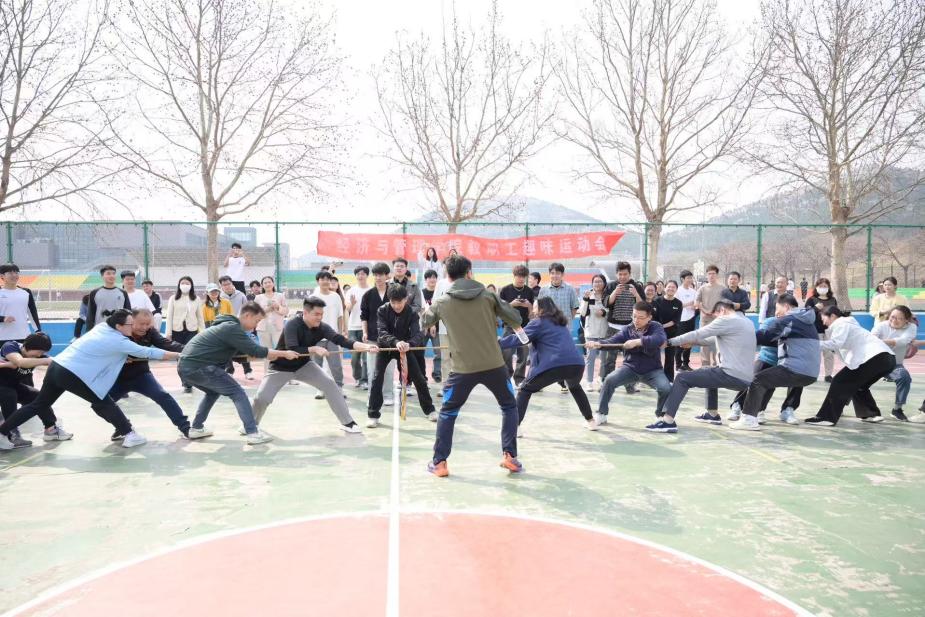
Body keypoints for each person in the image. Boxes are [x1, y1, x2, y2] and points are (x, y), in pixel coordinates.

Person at [0, 310, 177, 450]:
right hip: (72, 373)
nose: (133, 327)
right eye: (130, 324)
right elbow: (148, 352)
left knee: (38, 404)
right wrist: (178, 355)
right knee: (103, 401)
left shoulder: (102, 327)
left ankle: (2, 432)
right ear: (119, 326)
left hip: (57, 367)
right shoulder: (119, 340)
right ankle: (129, 434)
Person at [422, 254, 524, 477]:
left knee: (448, 412)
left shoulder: (442, 301)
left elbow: (425, 321)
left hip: (462, 369)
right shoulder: (488, 296)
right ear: (469, 272)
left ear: (448, 276)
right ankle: (510, 456)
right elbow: (515, 317)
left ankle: (440, 463)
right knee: (509, 406)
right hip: (494, 365)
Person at [177, 302, 299, 444]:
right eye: (256, 321)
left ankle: (196, 428)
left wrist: (267, 353)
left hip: (186, 367)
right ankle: (252, 433)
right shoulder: (232, 328)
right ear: (247, 316)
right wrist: (283, 353)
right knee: (238, 393)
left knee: (213, 392)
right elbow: (256, 350)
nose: (256, 325)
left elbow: (241, 352)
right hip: (200, 366)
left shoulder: (227, 325)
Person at [252, 297, 378, 433]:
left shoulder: (321, 327)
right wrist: (314, 349)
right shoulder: (292, 324)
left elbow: (341, 340)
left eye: (321, 314)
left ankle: (348, 423)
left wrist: (366, 347)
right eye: (316, 314)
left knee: (330, 385)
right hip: (280, 367)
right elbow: (292, 349)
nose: (320, 317)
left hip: (304, 366)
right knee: (262, 397)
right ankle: (250, 425)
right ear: (305, 313)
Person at [651, 300, 756, 433]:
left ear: (722, 310)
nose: (715, 320)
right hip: (746, 379)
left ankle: (667, 421)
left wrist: (670, 342)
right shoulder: (746, 322)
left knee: (682, 378)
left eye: (716, 316)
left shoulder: (726, 320)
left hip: (730, 375)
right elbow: (714, 339)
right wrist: (693, 343)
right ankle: (712, 414)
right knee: (708, 371)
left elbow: (698, 333)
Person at [500, 297, 597, 432]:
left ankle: (514, 427)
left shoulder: (538, 322)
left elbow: (520, 339)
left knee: (524, 391)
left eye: (535, 307)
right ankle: (591, 421)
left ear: (541, 309)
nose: (533, 310)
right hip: (576, 365)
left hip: (554, 365)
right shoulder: (561, 323)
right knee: (575, 388)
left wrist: (497, 343)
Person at [728, 296, 819, 430]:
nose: (776, 313)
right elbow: (770, 339)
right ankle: (757, 412)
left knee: (757, 380)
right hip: (811, 374)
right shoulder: (807, 322)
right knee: (766, 379)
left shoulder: (788, 320)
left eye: (777, 308)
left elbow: (764, 335)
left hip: (795, 369)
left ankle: (748, 419)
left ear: (786, 307)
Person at [108, 309, 193, 440]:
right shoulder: (118, 333)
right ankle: (123, 427)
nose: (144, 327)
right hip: (117, 378)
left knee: (163, 396)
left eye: (148, 324)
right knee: (101, 404)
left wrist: (191, 350)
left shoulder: (150, 332)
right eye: (141, 324)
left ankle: (186, 428)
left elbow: (167, 344)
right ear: (130, 322)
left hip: (141, 375)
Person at [805, 307, 895, 426]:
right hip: (887, 359)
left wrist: (811, 344)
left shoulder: (841, 323)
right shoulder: (848, 325)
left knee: (839, 381)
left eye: (824, 318)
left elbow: (836, 343)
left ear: (833, 316)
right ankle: (871, 414)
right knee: (859, 385)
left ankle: (826, 418)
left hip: (873, 357)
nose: (823, 322)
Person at [366, 284, 436, 427]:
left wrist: (409, 344)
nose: (396, 305)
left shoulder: (412, 313)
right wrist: (395, 342)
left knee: (419, 378)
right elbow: (382, 332)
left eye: (400, 302)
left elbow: (418, 334)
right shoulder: (382, 310)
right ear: (389, 300)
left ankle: (430, 410)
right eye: (393, 302)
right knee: (377, 378)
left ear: (406, 299)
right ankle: (373, 415)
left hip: (404, 348)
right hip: (385, 348)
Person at [589, 302, 671, 424]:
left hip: (653, 370)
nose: (636, 320)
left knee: (665, 388)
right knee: (609, 380)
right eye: (634, 316)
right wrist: (599, 344)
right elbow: (612, 341)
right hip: (630, 368)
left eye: (641, 317)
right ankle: (601, 413)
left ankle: (660, 416)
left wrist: (638, 341)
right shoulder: (627, 329)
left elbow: (659, 339)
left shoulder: (656, 326)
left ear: (649, 317)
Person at [0, 332, 54, 448]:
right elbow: (20, 362)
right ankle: (11, 434)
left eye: (42, 353)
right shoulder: (11, 346)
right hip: (3, 387)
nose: (40, 355)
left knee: (37, 396)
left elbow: (54, 361)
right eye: (39, 352)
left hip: (12, 385)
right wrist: (46, 361)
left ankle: (51, 429)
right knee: (9, 395)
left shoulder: (37, 357)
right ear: (29, 346)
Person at [537, 263, 581, 392]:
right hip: (547, 329)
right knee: (545, 355)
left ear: (562, 274)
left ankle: (564, 383)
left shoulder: (570, 289)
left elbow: (574, 308)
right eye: (552, 273)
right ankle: (539, 382)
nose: (555, 275)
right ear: (549, 274)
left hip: (564, 329)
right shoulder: (544, 290)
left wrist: (567, 322)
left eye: (557, 273)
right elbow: (540, 308)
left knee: (563, 355)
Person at [602, 261, 644, 389]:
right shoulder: (611, 286)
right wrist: (615, 292)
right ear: (616, 274)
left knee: (631, 359)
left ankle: (630, 385)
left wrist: (636, 294)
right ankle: (606, 383)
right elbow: (605, 303)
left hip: (631, 329)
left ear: (629, 274)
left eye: (625, 274)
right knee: (609, 359)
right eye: (620, 274)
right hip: (613, 327)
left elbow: (643, 306)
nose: (622, 277)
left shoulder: (636, 286)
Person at [871, 306, 917, 421]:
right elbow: (871, 339)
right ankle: (840, 405)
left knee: (904, 376)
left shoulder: (911, 327)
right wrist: (878, 341)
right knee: (855, 380)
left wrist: (880, 341)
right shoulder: (881, 325)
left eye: (899, 318)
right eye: (892, 317)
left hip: (894, 365)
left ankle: (897, 409)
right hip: (874, 363)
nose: (894, 320)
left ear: (907, 320)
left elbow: (903, 341)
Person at [361, 262, 396, 406]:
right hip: (372, 337)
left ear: (387, 276)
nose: (378, 277)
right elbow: (364, 316)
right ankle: (372, 396)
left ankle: (388, 395)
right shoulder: (368, 295)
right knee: (372, 370)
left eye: (381, 274)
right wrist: (364, 332)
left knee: (389, 370)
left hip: (391, 339)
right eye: (375, 275)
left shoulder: (393, 293)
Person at [310, 270, 346, 398]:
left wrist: (340, 333)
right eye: (322, 279)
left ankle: (339, 388)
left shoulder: (335, 296)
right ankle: (320, 389)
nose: (325, 281)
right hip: (316, 336)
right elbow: (308, 318)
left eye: (327, 279)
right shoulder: (313, 298)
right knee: (317, 365)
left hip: (333, 336)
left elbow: (340, 316)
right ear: (318, 281)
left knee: (336, 365)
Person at [165, 276, 205, 393]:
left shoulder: (196, 299)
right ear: (179, 285)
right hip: (177, 330)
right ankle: (185, 382)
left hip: (192, 330)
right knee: (180, 357)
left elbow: (200, 317)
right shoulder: (173, 298)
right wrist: (168, 333)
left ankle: (190, 381)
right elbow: (169, 316)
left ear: (191, 285)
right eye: (182, 283)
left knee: (190, 356)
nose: (185, 285)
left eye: (187, 283)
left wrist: (203, 332)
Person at [499, 265, 535, 388]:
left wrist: (529, 306)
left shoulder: (529, 291)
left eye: (523, 277)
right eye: (519, 276)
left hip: (524, 327)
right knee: (506, 353)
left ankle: (519, 379)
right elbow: (499, 310)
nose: (521, 279)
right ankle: (506, 377)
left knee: (523, 354)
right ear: (514, 276)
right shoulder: (505, 290)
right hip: (509, 326)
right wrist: (511, 304)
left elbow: (532, 314)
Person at [0, 264, 42, 352]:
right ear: (2, 276)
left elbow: (32, 312)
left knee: (25, 360)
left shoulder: (26, 292)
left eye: (16, 272)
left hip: (24, 336)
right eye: (10, 273)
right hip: (2, 337)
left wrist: (38, 330)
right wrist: (3, 318)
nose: (14, 275)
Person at [219, 276, 254, 379]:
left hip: (240, 326)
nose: (227, 286)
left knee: (243, 347)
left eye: (228, 284)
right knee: (226, 348)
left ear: (232, 283)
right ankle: (229, 370)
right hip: (225, 326)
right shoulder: (219, 296)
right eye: (224, 285)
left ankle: (248, 371)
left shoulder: (241, 295)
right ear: (221, 286)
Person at [803, 277, 837, 382]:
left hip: (829, 330)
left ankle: (828, 375)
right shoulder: (811, 300)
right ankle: (813, 374)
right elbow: (806, 314)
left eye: (825, 286)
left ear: (829, 287)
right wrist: (816, 308)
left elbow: (836, 313)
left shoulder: (833, 300)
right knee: (815, 354)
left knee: (829, 353)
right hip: (815, 329)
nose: (823, 288)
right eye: (820, 286)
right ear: (816, 287)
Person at [580, 274, 609, 391]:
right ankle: (589, 382)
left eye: (600, 281)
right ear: (592, 283)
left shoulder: (607, 296)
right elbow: (582, 312)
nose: (597, 284)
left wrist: (604, 312)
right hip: (591, 332)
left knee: (604, 358)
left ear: (604, 283)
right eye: (595, 281)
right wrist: (585, 299)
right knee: (590, 357)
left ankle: (601, 379)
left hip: (604, 331)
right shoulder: (589, 295)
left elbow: (611, 311)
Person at [254, 276, 288, 371]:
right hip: (263, 329)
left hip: (278, 328)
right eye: (265, 283)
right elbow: (255, 313)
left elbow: (285, 311)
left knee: (281, 351)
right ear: (262, 285)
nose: (267, 284)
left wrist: (277, 307)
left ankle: (283, 372)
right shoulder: (258, 298)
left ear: (273, 283)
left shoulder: (280, 296)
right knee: (266, 352)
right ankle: (267, 373)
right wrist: (268, 309)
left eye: (269, 282)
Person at [345, 266, 371, 389]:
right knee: (355, 356)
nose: (360, 276)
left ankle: (365, 380)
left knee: (366, 356)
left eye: (363, 274)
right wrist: (352, 303)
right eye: (358, 274)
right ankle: (357, 378)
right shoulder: (351, 291)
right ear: (355, 276)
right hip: (353, 327)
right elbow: (347, 308)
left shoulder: (371, 290)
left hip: (367, 327)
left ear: (367, 275)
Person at [694, 265, 725, 367]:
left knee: (718, 342)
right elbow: (696, 303)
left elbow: (726, 303)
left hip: (718, 319)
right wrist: (705, 311)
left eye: (713, 273)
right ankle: (705, 364)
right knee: (704, 343)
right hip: (705, 319)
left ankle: (717, 364)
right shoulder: (702, 288)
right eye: (709, 274)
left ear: (717, 275)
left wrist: (718, 312)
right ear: (706, 275)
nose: (711, 276)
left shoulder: (723, 288)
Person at [653, 280, 683, 383]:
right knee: (654, 355)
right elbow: (653, 317)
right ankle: (653, 377)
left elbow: (675, 320)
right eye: (669, 287)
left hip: (672, 333)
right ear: (665, 288)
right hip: (657, 332)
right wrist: (658, 327)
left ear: (676, 289)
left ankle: (669, 379)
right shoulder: (657, 300)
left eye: (673, 287)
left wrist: (663, 326)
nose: (671, 289)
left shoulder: (678, 303)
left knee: (670, 357)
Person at [85, 265, 131, 331]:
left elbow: (128, 312)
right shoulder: (94, 293)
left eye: (113, 273)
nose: (112, 276)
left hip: (118, 330)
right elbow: (90, 314)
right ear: (102, 276)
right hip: (100, 330)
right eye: (108, 273)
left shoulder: (123, 293)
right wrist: (89, 330)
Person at [420, 269, 443, 383]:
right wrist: (426, 325)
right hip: (423, 328)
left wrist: (433, 324)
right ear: (426, 280)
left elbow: (440, 310)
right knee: (420, 352)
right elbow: (421, 310)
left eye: (434, 277)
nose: (432, 279)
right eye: (429, 277)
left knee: (438, 353)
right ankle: (421, 374)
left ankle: (437, 373)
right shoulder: (422, 293)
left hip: (437, 328)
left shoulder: (439, 293)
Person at [674, 270, 697, 372]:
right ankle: (678, 364)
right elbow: (677, 305)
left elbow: (696, 304)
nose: (690, 280)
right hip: (681, 320)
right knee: (680, 342)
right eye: (688, 278)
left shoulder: (693, 291)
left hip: (691, 319)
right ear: (682, 279)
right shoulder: (678, 291)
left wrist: (694, 306)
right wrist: (689, 303)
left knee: (689, 342)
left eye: (691, 278)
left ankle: (686, 363)